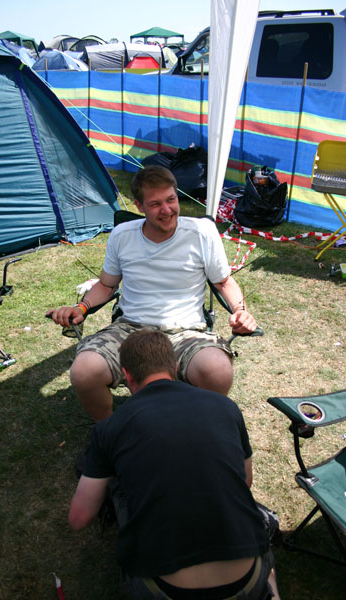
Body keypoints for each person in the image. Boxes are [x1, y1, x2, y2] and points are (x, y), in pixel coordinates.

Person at [68, 329, 281, 600]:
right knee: (265, 557)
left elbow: (79, 519)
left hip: (164, 590)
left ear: (126, 375)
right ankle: (270, 593)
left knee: (119, 490)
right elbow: (246, 481)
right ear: (177, 367)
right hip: (247, 579)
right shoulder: (225, 407)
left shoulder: (110, 427)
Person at [47, 166, 257, 422]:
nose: (167, 210)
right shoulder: (122, 235)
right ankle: (110, 431)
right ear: (139, 206)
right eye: (155, 204)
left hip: (186, 332)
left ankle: (196, 431)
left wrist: (240, 312)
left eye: (171, 199)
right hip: (130, 330)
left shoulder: (202, 233)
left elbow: (224, 282)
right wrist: (81, 308)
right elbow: (106, 285)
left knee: (218, 371)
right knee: (84, 372)